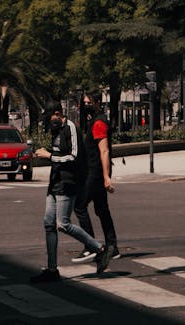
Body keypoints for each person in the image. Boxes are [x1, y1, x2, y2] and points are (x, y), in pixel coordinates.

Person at [30, 102, 110, 283]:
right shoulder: (56, 130)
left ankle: (100, 249)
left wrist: (49, 156)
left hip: (68, 182)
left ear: (58, 114)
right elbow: (59, 154)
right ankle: (52, 269)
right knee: (48, 224)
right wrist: (47, 154)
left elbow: (73, 156)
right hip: (55, 182)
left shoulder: (71, 128)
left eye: (50, 119)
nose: (49, 124)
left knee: (63, 224)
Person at [73, 91, 120, 263]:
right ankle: (112, 246)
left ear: (97, 102)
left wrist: (106, 176)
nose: (85, 106)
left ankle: (91, 245)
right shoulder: (95, 121)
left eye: (87, 103)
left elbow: (104, 150)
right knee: (101, 209)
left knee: (79, 206)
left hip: (95, 172)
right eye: (83, 103)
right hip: (95, 171)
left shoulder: (99, 122)